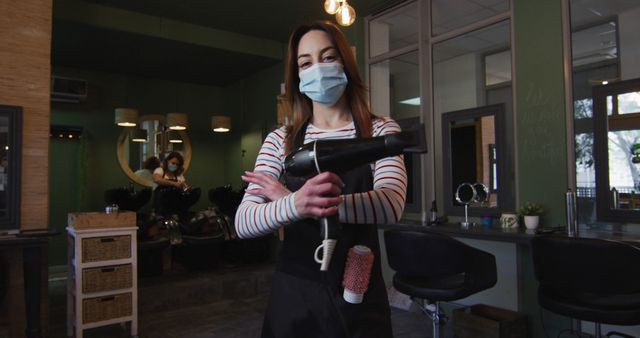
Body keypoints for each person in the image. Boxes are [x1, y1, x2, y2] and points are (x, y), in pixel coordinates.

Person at [234, 21, 407, 338]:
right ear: (297, 77)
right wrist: (297, 203)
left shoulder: (379, 131)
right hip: (295, 291)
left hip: (358, 287)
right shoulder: (280, 141)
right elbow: (244, 222)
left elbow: (390, 204)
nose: (317, 68)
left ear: (345, 63)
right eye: (305, 63)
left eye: (328, 57)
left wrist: (297, 200)